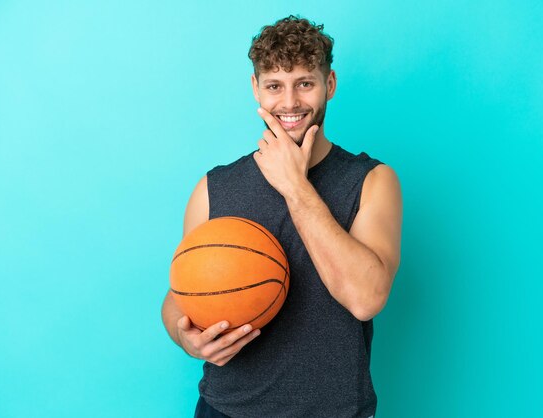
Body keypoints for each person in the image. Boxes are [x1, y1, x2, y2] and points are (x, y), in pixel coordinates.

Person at [161, 15, 402, 418]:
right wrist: (186, 339)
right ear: (256, 89)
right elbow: (178, 296)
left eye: (304, 83)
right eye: (275, 86)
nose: (289, 103)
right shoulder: (213, 187)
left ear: (330, 84)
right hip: (226, 410)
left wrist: (295, 186)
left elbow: (366, 299)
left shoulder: (372, 181)